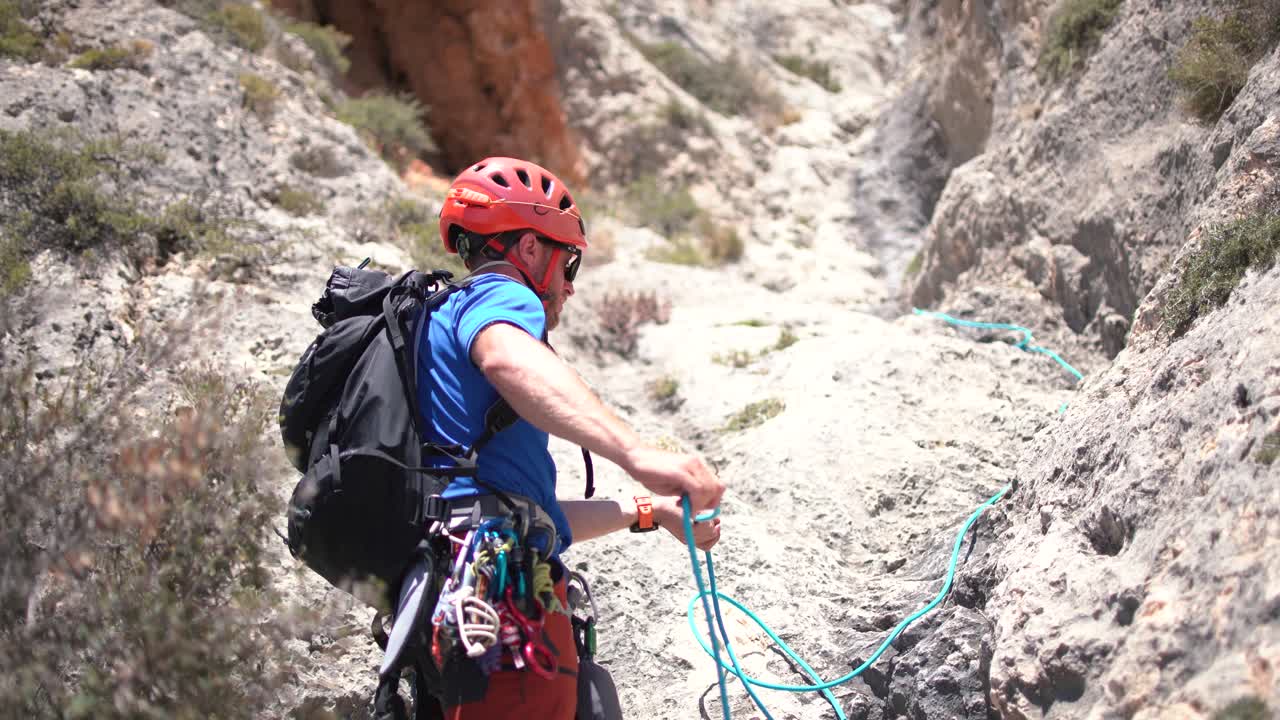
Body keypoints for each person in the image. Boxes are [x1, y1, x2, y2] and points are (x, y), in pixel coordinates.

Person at [418, 156, 725, 719]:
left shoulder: (435, 329)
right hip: (506, 623)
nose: (569, 287)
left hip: (446, 613)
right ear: (530, 249)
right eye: (569, 265)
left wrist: (649, 512)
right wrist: (635, 452)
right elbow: (505, 357)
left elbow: (520, 513)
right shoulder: (501, 296)